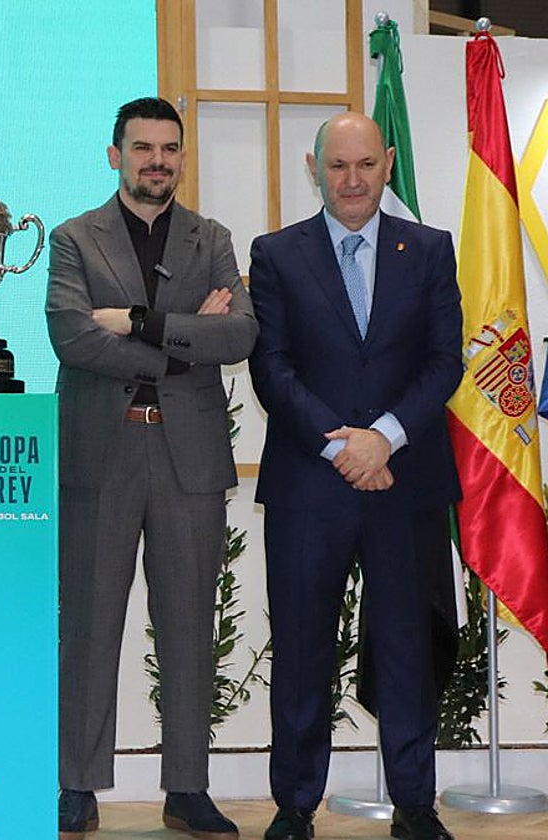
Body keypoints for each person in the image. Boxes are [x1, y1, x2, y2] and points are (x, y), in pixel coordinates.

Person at [46, 97, 258, 840]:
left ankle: (187, 789)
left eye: (169, 149)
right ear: (115, 155)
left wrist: (141, 324)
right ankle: (77, 786)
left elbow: (239, 335)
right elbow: (73, 338)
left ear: (182, 157)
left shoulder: (212, 238)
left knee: (190, 626)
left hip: (187, 458)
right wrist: (183, 344)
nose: (156, 161)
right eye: (142, 148)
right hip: (100, 456)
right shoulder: (74, 238)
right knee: (89, 625)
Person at [248, 112, 461, 840]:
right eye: (337, 165)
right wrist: (343, 447)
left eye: (366, 164)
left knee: (407, 651)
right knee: (303, 650)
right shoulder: (276, 254)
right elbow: (272, 368)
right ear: (314, 170)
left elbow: (445, 361)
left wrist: (385, 438)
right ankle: (294, 805)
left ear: (388, 163)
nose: (352, 180)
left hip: (406, 483)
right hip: (310, 486)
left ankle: (415, 805)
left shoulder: (429, 249)